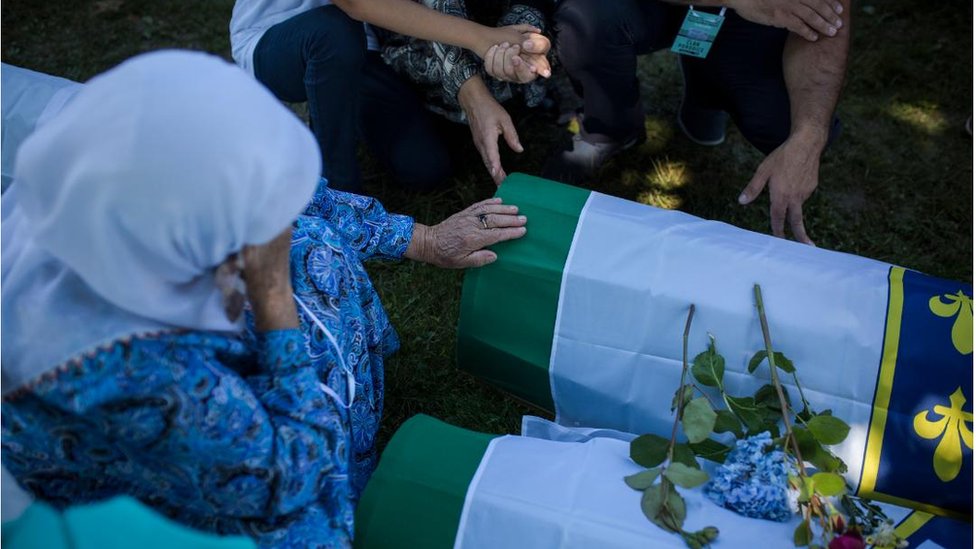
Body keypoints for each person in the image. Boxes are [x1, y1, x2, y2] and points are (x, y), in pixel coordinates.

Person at [1, 50, 526, 548]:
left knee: (307, 241)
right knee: (303, 516)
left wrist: (425, 240)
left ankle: (348, 418)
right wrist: (274, 299)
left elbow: (293, 194)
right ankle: (346, 467)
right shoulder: (135, 370)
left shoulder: (110, 187)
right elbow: (284, 479)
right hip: (152, 490)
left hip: (188, 387)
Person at [544, 0, 850, 245]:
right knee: (588, 18)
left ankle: (707, 89)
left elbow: (828, 19)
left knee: (788, 127)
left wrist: (809, 134)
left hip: (759, 20)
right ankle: (609, 129)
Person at [230, 0, 549, 193]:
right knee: (334, 32)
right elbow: (355, 4)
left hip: (363, 45)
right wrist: (482, 38)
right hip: (273, 39)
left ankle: (333, 106)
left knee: (425, 168)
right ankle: (337, 195)